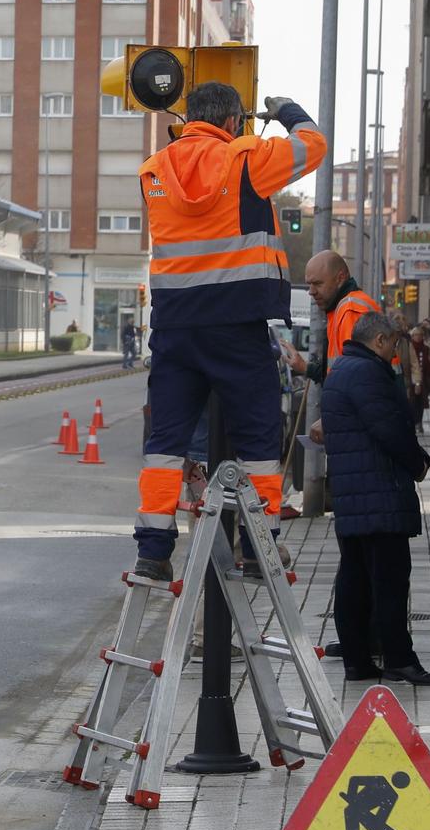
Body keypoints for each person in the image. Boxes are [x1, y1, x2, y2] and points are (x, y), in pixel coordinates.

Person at [130, 84, 325, 583]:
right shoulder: (246, 158)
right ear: (235, 121)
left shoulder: (154, 169)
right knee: (258, 437)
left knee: (165, 441)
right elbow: (313, 145)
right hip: (236, 323)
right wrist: (287, 112)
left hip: (175, 327)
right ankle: (259, 550)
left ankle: (153, 551)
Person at [321, 311, 430, 686]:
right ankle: (399, 659)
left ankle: (358, 661)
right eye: (392, 343)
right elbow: (389, 427)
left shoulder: (341, 369)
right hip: (380, 495)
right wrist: (418, 463)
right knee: (390, 581)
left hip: (353, 497)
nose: (394, 350)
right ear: (378, 341)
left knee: (354, 579)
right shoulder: (368, 373)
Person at [290, 251, 382, 385]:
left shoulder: (351, 310)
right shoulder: (341, 309)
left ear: (340, 278)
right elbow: (336, 372)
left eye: (318, 283)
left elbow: (354, 380)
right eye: (309, 284)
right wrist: (306, 368)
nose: (311, 291)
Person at [408, 326, 430, 433]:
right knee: (411, 403)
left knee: (420, 403)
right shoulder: (409, 347)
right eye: (416, 335)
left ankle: (419, 423)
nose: (418, 337)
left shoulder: (426, 349)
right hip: (411, 380)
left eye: (420, 335)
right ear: (412, 336)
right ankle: (413, 422)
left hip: (423, 381)